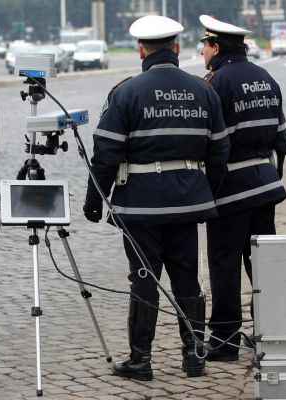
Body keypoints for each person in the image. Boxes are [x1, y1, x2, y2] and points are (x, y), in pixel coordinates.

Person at [83, 15, 230, 380]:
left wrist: (95, 198)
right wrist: (205, 189)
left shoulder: (127, 92)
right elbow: (220, 150)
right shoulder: (203, 90)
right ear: (177, 48)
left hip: (140, 205)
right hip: (187, 203)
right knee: (187, 279)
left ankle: (140, 360)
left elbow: (106, 153)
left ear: (140, 50)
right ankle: (195, 357)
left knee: (145, 278)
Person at [198, 15, 286, 361]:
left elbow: (212, 144)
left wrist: (209, 186)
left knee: (225, 265)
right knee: (263, 265)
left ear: (216, 47)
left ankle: (224, 342)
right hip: (266, 187)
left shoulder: (215, 83)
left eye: (205, 46)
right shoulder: (266, 79)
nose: (203, 52)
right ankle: (273, 333)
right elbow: (283, 139)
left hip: (230, 192)